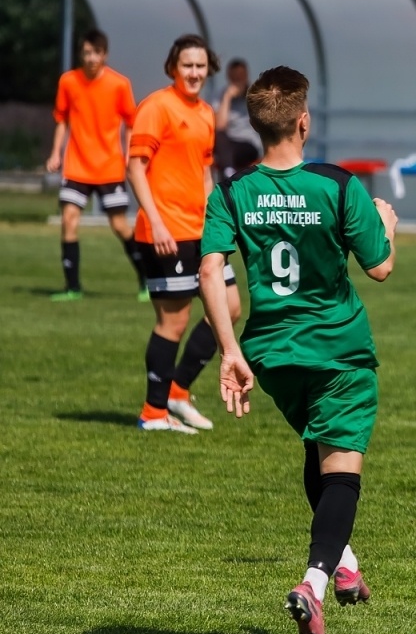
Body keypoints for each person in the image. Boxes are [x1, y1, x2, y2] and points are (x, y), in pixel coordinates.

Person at [197, 66, 397, 634]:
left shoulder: (230, 193)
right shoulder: (339, 186)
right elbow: (380, 267)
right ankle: (313, 581)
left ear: (259, 127)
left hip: (273, 356)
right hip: (339, 354)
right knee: (341, 472)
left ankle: (346, 565)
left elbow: (210, 272)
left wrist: (231, 352)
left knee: (317, 453)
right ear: (303, 121)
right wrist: (386, 221)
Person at [126, 35, 242, 434]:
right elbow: (136, 167)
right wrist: (155, 220)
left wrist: (217, 222)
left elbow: (205, 172)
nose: (193, 73)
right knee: (173, 323)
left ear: (208, 69)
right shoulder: (157, 107)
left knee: (228, 309)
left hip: (199, 231)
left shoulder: (207, 113)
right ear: (172, 67)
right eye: (186, 65)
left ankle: (177, 392)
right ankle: (153, 413)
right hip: (166, 232)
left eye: (200, 66)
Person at [45, 30, 143, 301]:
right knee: (68, 220)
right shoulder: (68, 81)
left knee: (120, 225)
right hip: (76, 166)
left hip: (108, 168)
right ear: (81, 54)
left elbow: (130, 123)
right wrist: (56, 153)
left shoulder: (119, 84)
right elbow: (62, 120)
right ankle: (72, 287)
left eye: (96, 53)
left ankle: (146, 279)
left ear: (104, 54)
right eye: (86, 53)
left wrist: (128, 155)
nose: (91, 58)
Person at [215, 58, 263, 178]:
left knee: (229, 153)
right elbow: (220, 126)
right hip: (228, 143)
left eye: (241, 77)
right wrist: (227, 98)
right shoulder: (221, 96)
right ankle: (228, 170)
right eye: (235, 78)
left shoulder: (256, 95)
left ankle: (228, 170)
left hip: (248, 142)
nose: (238, 81)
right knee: (219, 138)